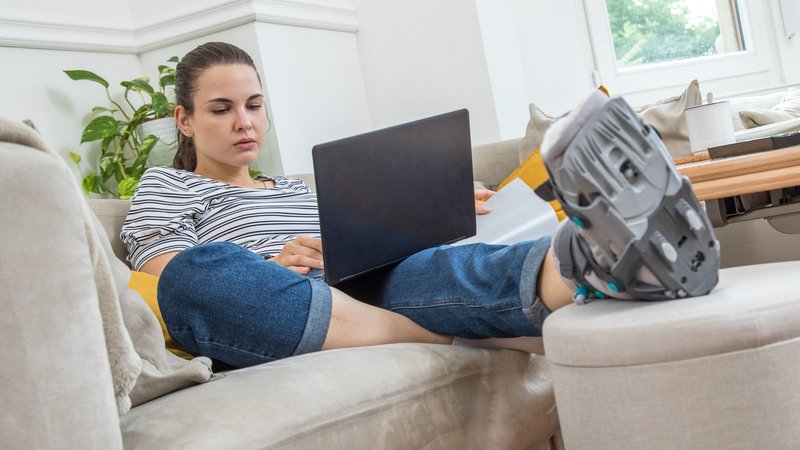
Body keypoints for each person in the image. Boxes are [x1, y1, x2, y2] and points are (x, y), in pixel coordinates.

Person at [121, 42, 716, 369]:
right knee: (198, 276)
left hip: (356, 284)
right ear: (185, 120)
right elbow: (164, 278)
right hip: (273, 302)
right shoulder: (166, 185)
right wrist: (272, 265)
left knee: (432, 265)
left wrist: (427, 210)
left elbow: (360, 246)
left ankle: (607, 258)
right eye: (222, 109)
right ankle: (438, 334)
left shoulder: (298, 191)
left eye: (253, 105)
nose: (244, 122)